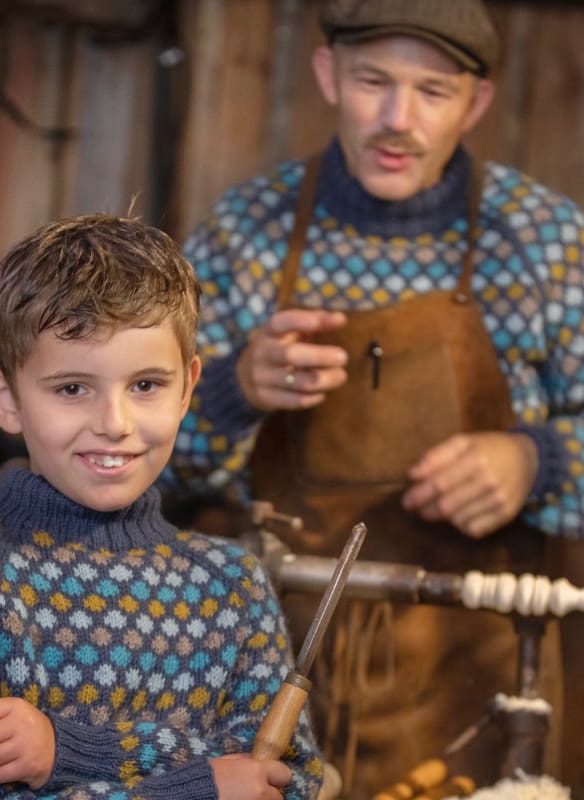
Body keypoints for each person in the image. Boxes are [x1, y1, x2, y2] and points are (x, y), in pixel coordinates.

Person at [162, 0, 584, 796]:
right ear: (327, 74)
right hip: (267, 669)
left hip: (480, 682)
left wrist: (541, 460)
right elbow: (147, 465)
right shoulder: (245, 233)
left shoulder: (546, 243)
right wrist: (230, 389)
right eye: (372, 82)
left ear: (476, 102)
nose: (399, 119)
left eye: (433, 91)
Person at [0, 215, 323, 800]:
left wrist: (68, 753)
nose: (114, 423)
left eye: (146, 385)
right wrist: (189, 790)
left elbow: (288, 779)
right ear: (6, 398)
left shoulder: (233, 586)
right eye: (72, 388)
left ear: (187, 388)